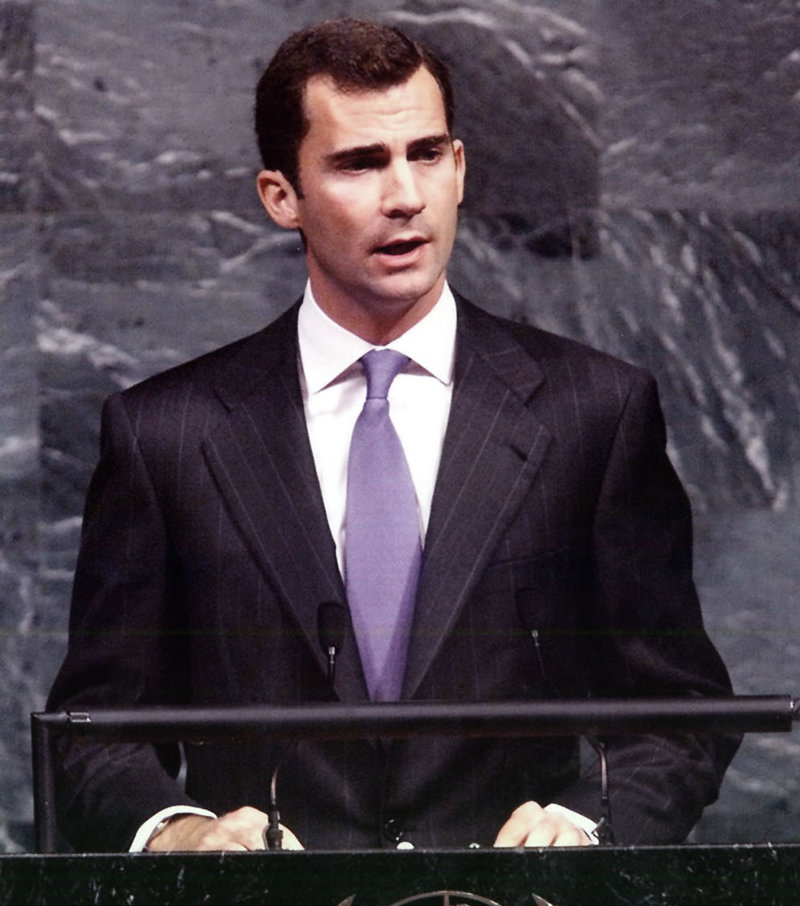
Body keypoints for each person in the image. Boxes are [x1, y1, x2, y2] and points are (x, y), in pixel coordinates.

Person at [47, 18, 737, 854]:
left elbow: (681, 713)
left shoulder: (592, 412)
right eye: (360, 163)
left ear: (460, 168)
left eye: (427, 153)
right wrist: (182, 835)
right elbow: (94, 734)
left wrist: (588, 824)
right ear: (281, 196)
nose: (405, 195)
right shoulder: (166, 435)